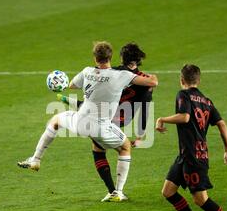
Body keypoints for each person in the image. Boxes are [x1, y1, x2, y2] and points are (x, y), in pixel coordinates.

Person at [17, 41, 158, 202]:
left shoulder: (86, 71)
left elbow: (70, 85)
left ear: (95, 58)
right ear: (110, 57)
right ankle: (117, 192)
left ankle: (36, 159)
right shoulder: (121, 76)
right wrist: (152, 77)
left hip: (79, 121)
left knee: (55, 121)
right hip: (101, 127)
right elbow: (152, 83)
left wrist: (61, 81)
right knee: (125, 147)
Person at [156, 64, 227, 211]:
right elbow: (222, 124)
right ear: (199, 80)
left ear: (181, 80)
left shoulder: (183, 94)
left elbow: (185, 117)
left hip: (194, 157)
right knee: (168, 191)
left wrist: (162, 119)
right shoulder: (206, 101)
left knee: (201, 199)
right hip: (186, 155)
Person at [57, 43, 154, 202]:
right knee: (108, 147)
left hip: (104, 116)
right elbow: (145, 107)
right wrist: (141, 134)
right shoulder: (144, 81)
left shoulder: (114, 71)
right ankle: (116, 192)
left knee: (98, 148)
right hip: (121, 118)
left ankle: (113, 191)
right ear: (139, 60)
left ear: (121, 57)